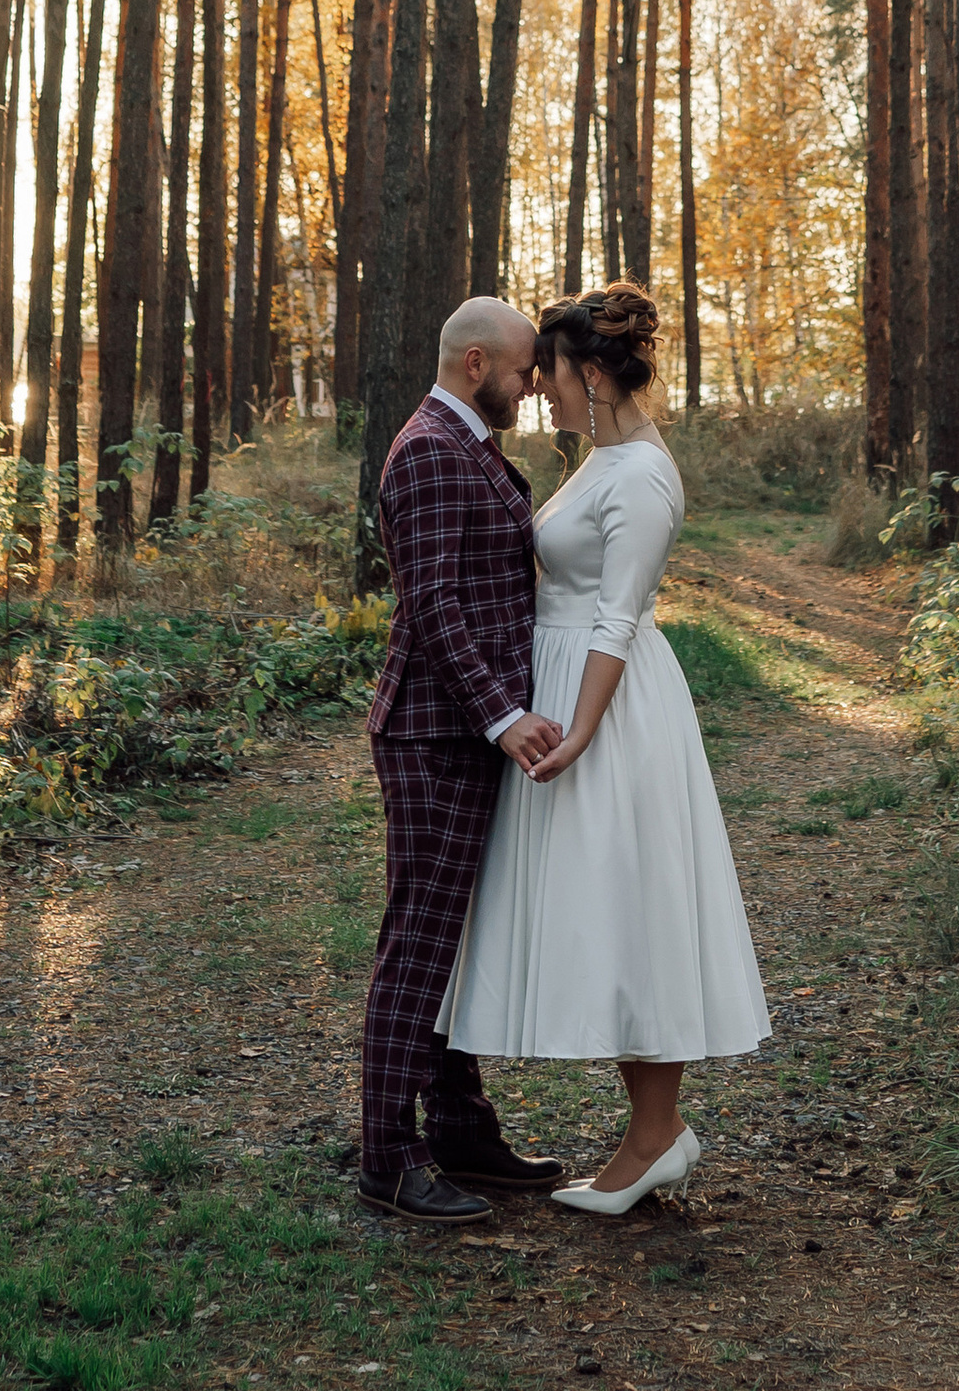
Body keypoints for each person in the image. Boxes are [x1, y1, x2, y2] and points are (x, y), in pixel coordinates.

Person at [439, 280, 769, 1217]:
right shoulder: (600, 458)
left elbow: (618, 618)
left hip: (610, 712)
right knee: (610, 908)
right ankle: (650, 1133)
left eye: (549, 374)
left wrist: (581, 728)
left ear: (590, 371)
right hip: (566, 692)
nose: (538, 389)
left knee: (633, 908)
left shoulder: (643, 476)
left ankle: (655, 1134)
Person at [357, 295, 570, 1224]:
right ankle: (389, 1156)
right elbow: (432, 608)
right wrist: (502, 717)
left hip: (457, 731)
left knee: (453, 941)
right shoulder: (432, 453)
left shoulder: (466, 445)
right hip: (437, 734)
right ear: (477, 364)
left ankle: (460, 1127)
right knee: (420, 944)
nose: (532, 387)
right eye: (525, 371)